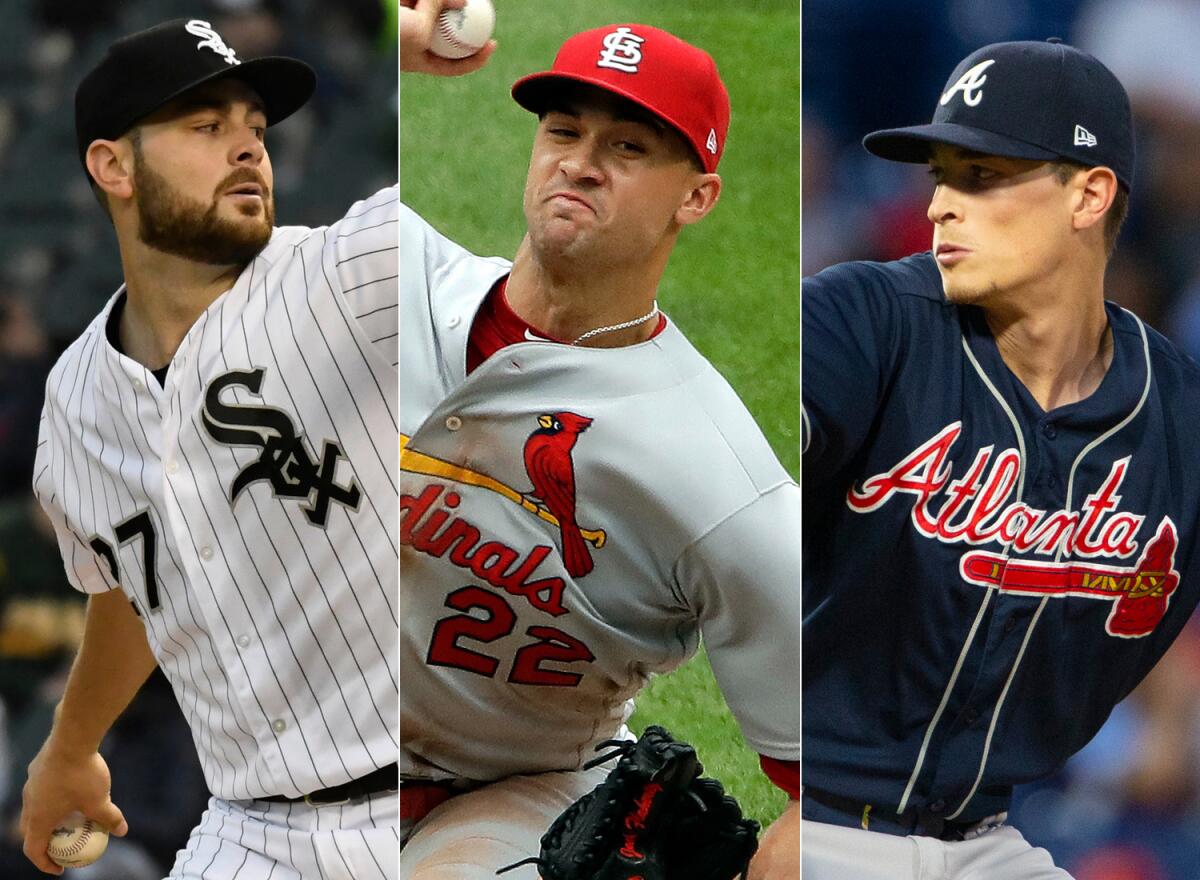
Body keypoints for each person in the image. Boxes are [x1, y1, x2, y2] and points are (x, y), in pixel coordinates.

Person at [398, 7, 800, 880]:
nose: (580, 159)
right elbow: (192, 135)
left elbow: (844, 784)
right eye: (563, 130)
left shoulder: (717, 477)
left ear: (697, 196)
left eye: (628, 147)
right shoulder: (386, 278)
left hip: (512, 800)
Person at [802, 38, 1200, 879]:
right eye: (940, 174)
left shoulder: (1175, 416)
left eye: (982, 177)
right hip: (807, 810)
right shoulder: (867, 321)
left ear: (1089, 194)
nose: (942, 203)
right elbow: (732, 487)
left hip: (988, 841)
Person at [19, 17, 399, 878]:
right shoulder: (76, 402)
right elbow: (138, 581)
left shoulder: (347, 276)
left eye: (256, 129)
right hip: (248, 830)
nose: (247, 149)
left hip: (424, 802)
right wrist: (70, 746)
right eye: (207, 126)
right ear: (113, 166)